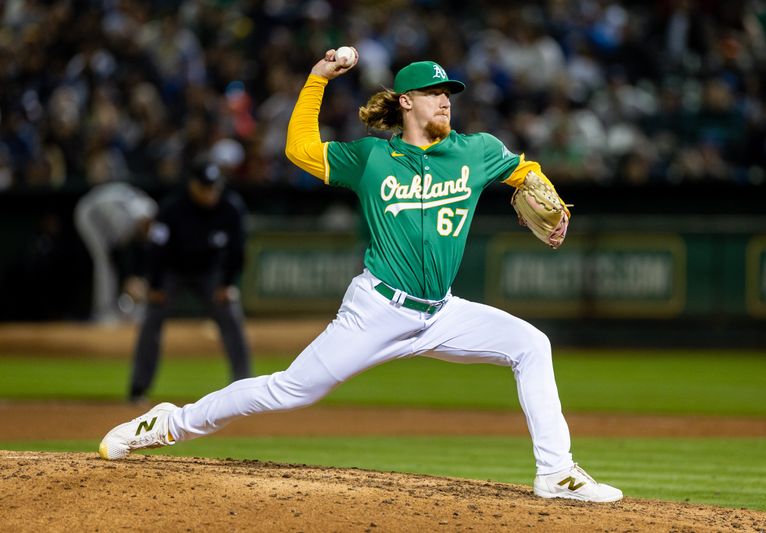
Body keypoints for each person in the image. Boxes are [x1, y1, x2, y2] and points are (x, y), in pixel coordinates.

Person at [100, 49, 623, 503]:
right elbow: (299, 149)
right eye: (432, 91)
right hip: (377, 310)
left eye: (449, 92)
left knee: (531, 344)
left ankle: (556, 473)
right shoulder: (373, 158)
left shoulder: (475, 150)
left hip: (442, 312)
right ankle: (167, 423)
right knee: (289, 391)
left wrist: (549, 196)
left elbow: (525, 171)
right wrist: (317, 79)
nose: (445, 100)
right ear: (405, 102)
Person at [127, 161, 252, 403]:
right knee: (152, 319)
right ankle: (138, 389)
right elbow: (156, 249)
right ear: (192, 185)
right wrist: (155, 286)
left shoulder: (230, 207)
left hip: (210, 273)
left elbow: (237, 251)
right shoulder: (173, 208)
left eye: (214, 187)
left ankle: (244, 387)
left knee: (231, 316)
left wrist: (227, 284)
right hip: (174, 272)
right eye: (205, 187)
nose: (210, 192)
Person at [74, 182, 157, 324]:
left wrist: (135, 278)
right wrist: (129, 279)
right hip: (89, 214)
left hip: (104, 214)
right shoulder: (126, 220)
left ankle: (123, 309)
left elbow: (143, 248)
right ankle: (103, 312)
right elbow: (119, 253)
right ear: (139, 219)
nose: (148, 226)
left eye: (150, 222)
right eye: (145, 223)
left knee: (113, 265)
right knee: (103, 262)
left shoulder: (148, 211)